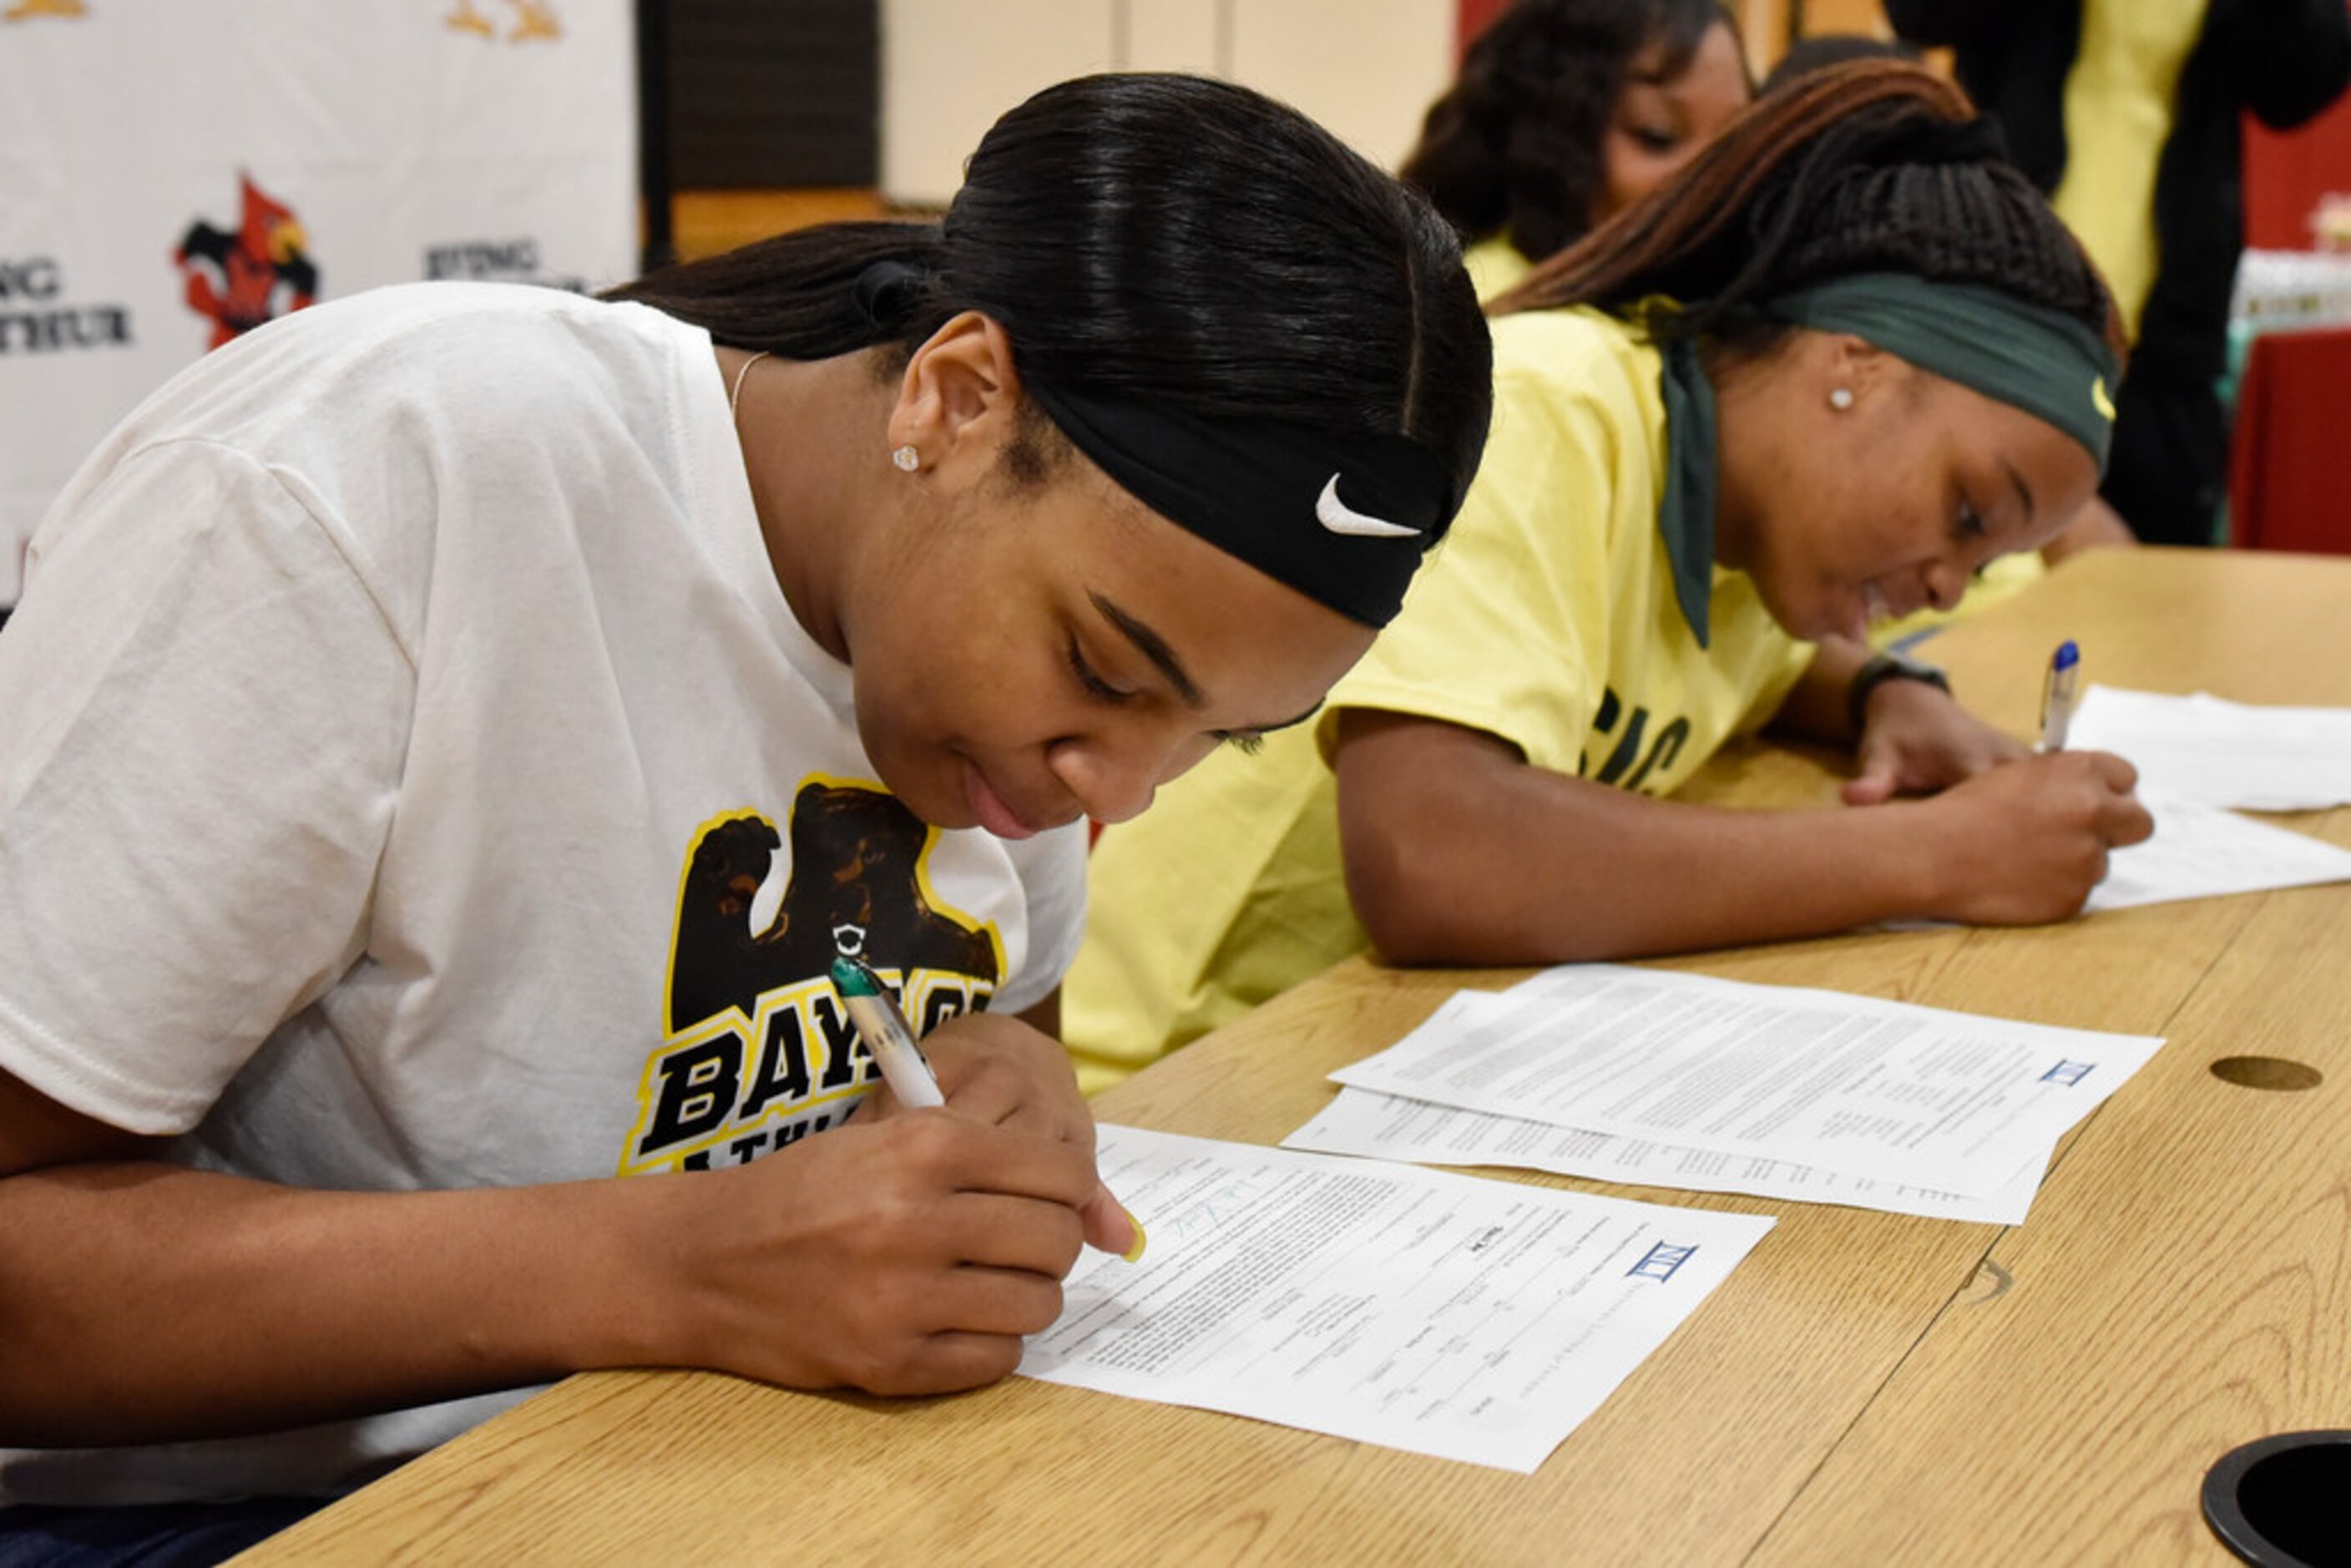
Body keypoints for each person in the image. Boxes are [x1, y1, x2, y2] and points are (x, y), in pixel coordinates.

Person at [0, 72, 1491, 1558]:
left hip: (693, 1451)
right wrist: (680, 1270)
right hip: (231, 1510)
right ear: (955, 398)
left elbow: (995, 1028)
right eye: (1102, 670)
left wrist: (999, 1095)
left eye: (1222, 736)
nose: (1120, 789)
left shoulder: (996, 654)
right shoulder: (377, 481)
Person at [1064, 62, 2155, 1092]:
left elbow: (1748, 657)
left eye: (1987, 560)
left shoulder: (1754, 532)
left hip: (1381, 1057)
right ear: (1854, 364)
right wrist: (1936, 856)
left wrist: (1886, 690)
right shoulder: (1551, 408)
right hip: (1184, 1079)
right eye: (1967, 513)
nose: (1950, 588)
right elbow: (1430, 853)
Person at [1887, 0, 2351, 547]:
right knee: (1964, 560)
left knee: (2158, 595)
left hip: (2164, 340)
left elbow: (2298, 86)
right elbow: (1920, 15)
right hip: (1999, 310)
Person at [1400, 0, 1752, 300]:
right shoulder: (1532, 344)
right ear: (1549, 137)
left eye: (1732, 144)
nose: (1711, 177)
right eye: (1657, 135)